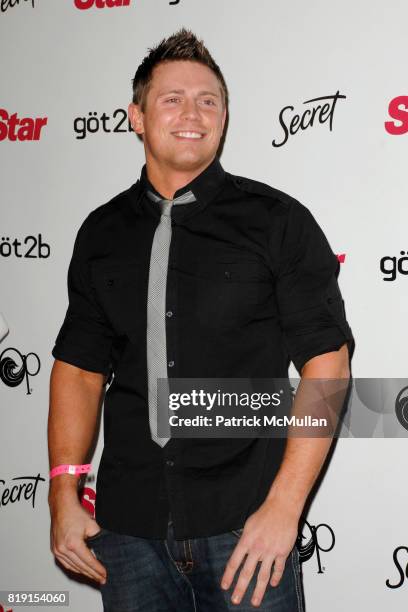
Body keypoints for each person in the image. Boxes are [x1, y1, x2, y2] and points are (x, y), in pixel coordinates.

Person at [48, 28, 355, 611]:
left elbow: (328, 363)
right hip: (128, 534)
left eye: (209, 100)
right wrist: (64, 494)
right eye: (172, 99)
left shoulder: (277, 222)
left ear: (224, 117)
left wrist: (284, 508)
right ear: (136, 116)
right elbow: (79, 370)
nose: (193, 113)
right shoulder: (100, 233)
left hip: (246, 529)